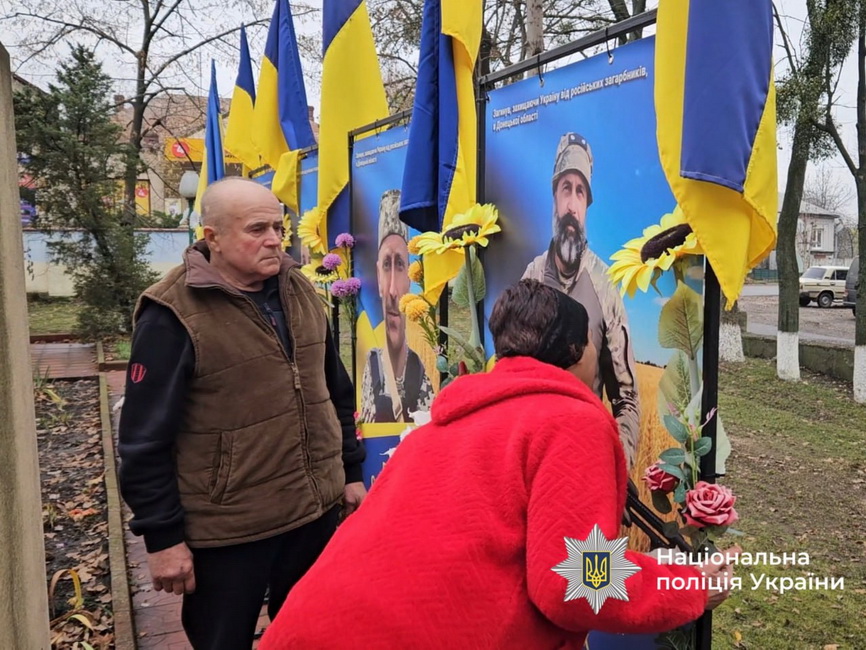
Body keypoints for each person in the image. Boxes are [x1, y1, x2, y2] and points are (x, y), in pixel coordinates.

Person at [259, 280, 738, 650]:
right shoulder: (569, 420)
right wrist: (686, 585)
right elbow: (573, 579)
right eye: (595, 342)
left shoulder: (453, 415)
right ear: (575, 350)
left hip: (311, 626)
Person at [118, 177, 366, 650]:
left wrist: (349, 470)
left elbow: (335, 390)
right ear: (213, 237)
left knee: (312, 636)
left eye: (278, 226)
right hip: (230, 532)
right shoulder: (171, 315)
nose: (275, 239)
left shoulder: (298, 291)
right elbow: (143, 442)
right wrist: (162, 539)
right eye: (257, 229)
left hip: (312, 515)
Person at [523, 132, 640, 469]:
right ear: (554, 198)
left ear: (587, 204)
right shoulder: (531, 278)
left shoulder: (605, 287)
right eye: (566, 189)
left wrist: (616, 470)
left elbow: (626, 399)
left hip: (583, 463)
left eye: (580, 192)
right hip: (531, 460)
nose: (572, 204)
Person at [359, 189, 434, 423]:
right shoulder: (371, 368)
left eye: (400, 265)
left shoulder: (422, 375)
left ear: (411, 280)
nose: (392, 290)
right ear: (377, 276)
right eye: (386, 265)